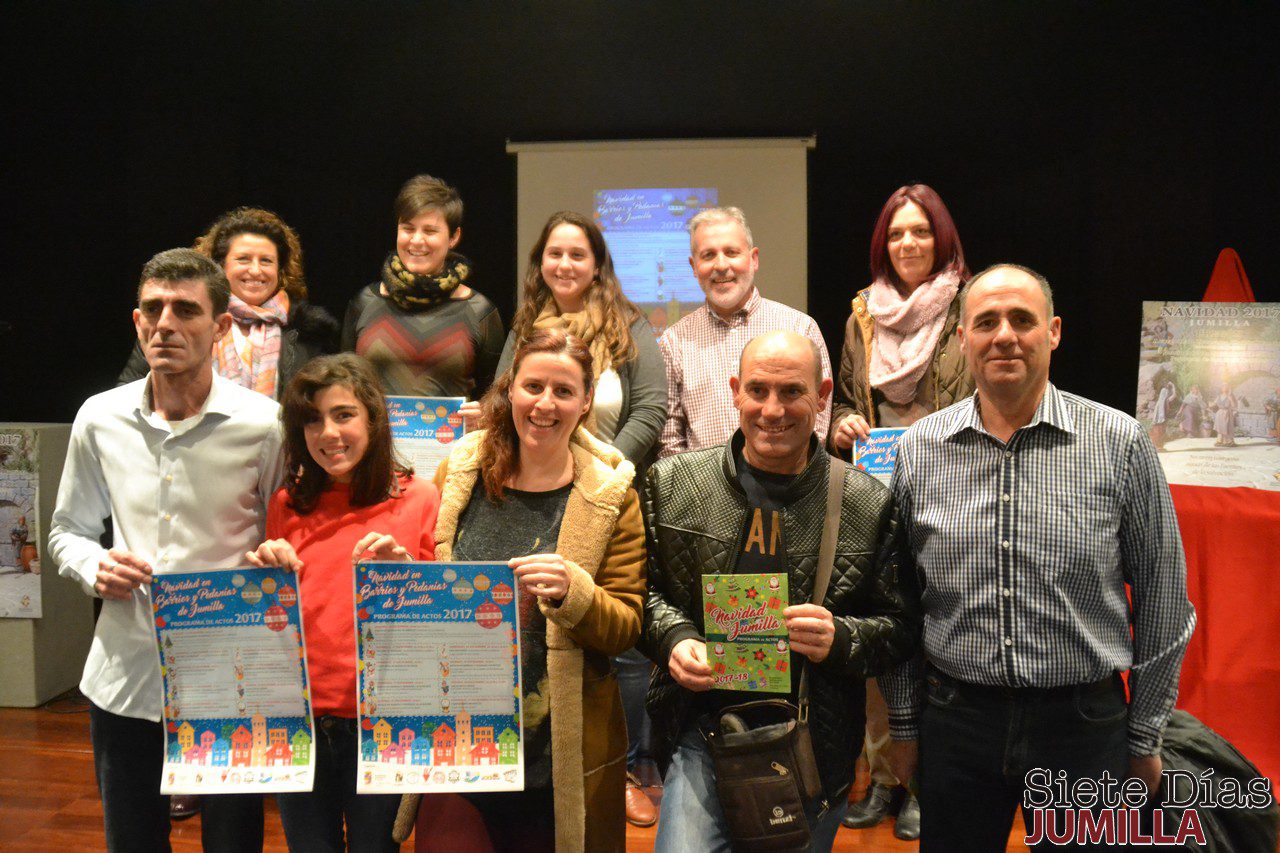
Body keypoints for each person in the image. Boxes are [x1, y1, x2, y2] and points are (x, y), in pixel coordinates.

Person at [882, 264, 1196, 851]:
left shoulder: (1121, 443)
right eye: (986, 322)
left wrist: (1145, 734)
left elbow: (1164, 600)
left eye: (1021, 320)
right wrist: (903, 724)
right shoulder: (919, 451)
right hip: (956, 721)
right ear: (962, 340)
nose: (1004, 335)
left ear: (1053, 332)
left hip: (1083, 728)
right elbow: (899, 602)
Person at [642, 329, 918, 853]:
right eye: (758, 390)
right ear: (735, 392)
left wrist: (840, 638)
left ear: (823, 395)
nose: (773, 410)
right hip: (702, 732)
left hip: (813, 744)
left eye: (792, 391)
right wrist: (675, 638)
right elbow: (642, 594)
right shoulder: (674, 483)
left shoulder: (866, 502)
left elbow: (902, 627)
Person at [49, 248, 284, 852]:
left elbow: (286, 535)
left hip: (230, 679)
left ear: (221, 325)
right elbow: (67, 529)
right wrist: (94, 565)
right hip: (126, 674)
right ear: (137, 322)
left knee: (234, 845)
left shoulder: (264, 425)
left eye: (186, 310)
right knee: (132, 841)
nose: (166, 325)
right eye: (153, 310)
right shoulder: (99, 418)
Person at [399, 328, 646, 852]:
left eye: (564, 391)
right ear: (510, 388)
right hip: (458, 739)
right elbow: (427, 583)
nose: (545, 404)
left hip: (554, 752)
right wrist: (396, 575)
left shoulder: (612, 492)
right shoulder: (458, 471)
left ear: (585, 402)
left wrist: (574, 593)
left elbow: (626, 625)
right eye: (533, 386)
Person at [497, 210, 666, 826]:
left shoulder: (628, 326)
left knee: (615, 640)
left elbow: (651, 408)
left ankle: (620, 769)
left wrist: (597, 469)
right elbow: (502, 398)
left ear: (598, 264)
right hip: (529, 485)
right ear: (540, 262)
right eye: (555, 253)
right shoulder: (525, 327)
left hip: (606, 495)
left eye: (578, 254)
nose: (565, 264)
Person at [245, 354, 439, 852]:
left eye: (344, 415)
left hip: (383, 722)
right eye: (313, 420)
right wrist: (263, 579)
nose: (328, 433)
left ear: (373, 419)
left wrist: (407, 574)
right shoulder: (287, 503)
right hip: (298, 720)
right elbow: (275, 620)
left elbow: (441, 621)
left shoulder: (420, 498)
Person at [830, 183, 972, 839]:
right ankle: (886, 777)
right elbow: (844, 398)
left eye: (920, 231)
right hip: (879, 500)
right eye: (896, 233)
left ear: (941, 237)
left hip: (955, 496)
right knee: (882, 644)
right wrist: (843, 422)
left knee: (941, 647)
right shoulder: (863, 314)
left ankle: (927, 782)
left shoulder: (969, 304)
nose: (908, 243)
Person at [658, 206, 832, 457]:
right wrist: (696, 481)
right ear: (694, 266)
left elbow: (817, 423)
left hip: (790, 480)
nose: (721, 265)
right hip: (702, 482)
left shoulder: (800, 328)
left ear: (753, 259)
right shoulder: (674, 342)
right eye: (708, 255)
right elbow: (669, 438)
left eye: (731, 252)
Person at [118, 206, 339, 397]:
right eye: (243, 259)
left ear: (280, 271)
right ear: (220, 266)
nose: (255, 270)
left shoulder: (312, 332)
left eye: (266, 261)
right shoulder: (178, 322)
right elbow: (128, 391)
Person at [342, 174, 504, 420]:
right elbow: (343, 387)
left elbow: (497, 399)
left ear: (454, 237)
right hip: (372, 444)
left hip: (453, 445)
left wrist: (485, 414)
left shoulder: (481, 312)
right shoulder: (364, 302)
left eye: (430, 231)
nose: (416, 240)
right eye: (408, 228)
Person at [1150, 379, 1179, 449]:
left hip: (1161, 416)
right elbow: (1174, 395)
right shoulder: (1164, 396)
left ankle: (1159, 446)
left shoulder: (1162, 401)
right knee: (1159, 430)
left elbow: (1173, 396)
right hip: (1160, 417)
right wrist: (1173, 386)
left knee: (1161, 430)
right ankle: (1157, 446)